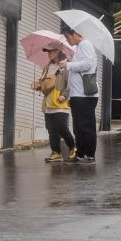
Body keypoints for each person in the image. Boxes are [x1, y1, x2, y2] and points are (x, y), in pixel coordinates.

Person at [60, 27, 100, 164]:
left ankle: (89, 155)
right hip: (78, 94)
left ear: (75, 34)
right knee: (78, 127)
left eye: (67, 37)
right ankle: (80, 154)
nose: (67, 40)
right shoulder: (79, 47)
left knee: (85, 126)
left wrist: (69, 65)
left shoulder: (85, 44)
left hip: (85, 95)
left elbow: (88, 65)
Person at [34, 42, 76, 163]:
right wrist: (39, 85)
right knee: (51, 129)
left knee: (62, 127)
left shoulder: (65, 66)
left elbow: (70, 83)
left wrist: (64, 95)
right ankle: (56, 152)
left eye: (51, 51)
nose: (49, 54)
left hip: (60, 103)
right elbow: (44, 82)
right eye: (48, 52)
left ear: (58, 52)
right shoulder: (47, 67)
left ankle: (73, 147)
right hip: (48, 103)